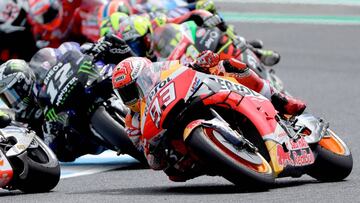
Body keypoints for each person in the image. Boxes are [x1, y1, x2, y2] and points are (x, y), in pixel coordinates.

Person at [111, 50, 306, 181]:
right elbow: (151, 161)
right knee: (174, 173)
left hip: (196, 99)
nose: (132, 98)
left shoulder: (165, 73)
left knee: (230, 64)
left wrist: (204, 62)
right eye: (125, 94)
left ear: (147, 76)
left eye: (133, 90)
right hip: (184, 153)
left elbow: (188, 67)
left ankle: (280, 99)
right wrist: (153, 148)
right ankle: (226, 155)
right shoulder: (132, 122)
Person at [0, 35, 134, 161]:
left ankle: (145, 75)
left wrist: (90, 50)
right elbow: (47, 151)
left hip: (81, 87)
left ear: (25, 82)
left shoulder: (41, 81)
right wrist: (51, 129)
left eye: (12, 93)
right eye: (6, 97)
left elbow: (65, 55)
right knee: (62, 151)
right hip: (79, 137)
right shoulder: (25, 118)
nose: (12, 100)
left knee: (112, 41)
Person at [100, 9, 281, 66]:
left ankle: (253, 50)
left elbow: (185, 17)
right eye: (133, 45)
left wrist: (203, 16)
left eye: (139, 42)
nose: (137, 48)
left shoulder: (156, 22)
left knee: (217, 31)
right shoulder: (131, 60)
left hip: (190, 52)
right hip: (180, 72)